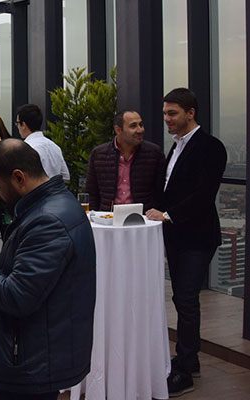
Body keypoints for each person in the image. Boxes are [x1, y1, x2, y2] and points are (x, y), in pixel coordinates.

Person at [0, 139, 96, 400]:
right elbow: (30, 266)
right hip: (40, 353)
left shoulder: (47, 220)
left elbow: (18, 295)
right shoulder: (52, 205)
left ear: (19, 178)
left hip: (33, 360)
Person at [146, 88, 227, 397]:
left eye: (172, 113)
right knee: (182, 299)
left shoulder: (212, 147)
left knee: (187, 299)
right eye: (165, 113)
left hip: (198, 236)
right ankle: (188, 361)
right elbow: (170, 189)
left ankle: (186, 367)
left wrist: (167, 215)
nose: (166, 119)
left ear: (190, 113)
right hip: (178, 236)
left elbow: (204, 195)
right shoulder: (176, 146)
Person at [85, 110, 165, 212]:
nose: (140, 130)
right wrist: (95, 216)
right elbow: (91, 192)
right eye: (133, 126)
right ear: (118, 130)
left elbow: (161, 190)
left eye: (141, 125)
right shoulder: (99, 154)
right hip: (108, 217)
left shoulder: (154, 153)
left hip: (143, 218)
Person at [15, 104, 70, 181]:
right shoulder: (55, 147)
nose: (17, 127)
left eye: (17, 123)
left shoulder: (26, 149)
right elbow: (66, 177)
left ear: (23, 125)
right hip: (55, 188)